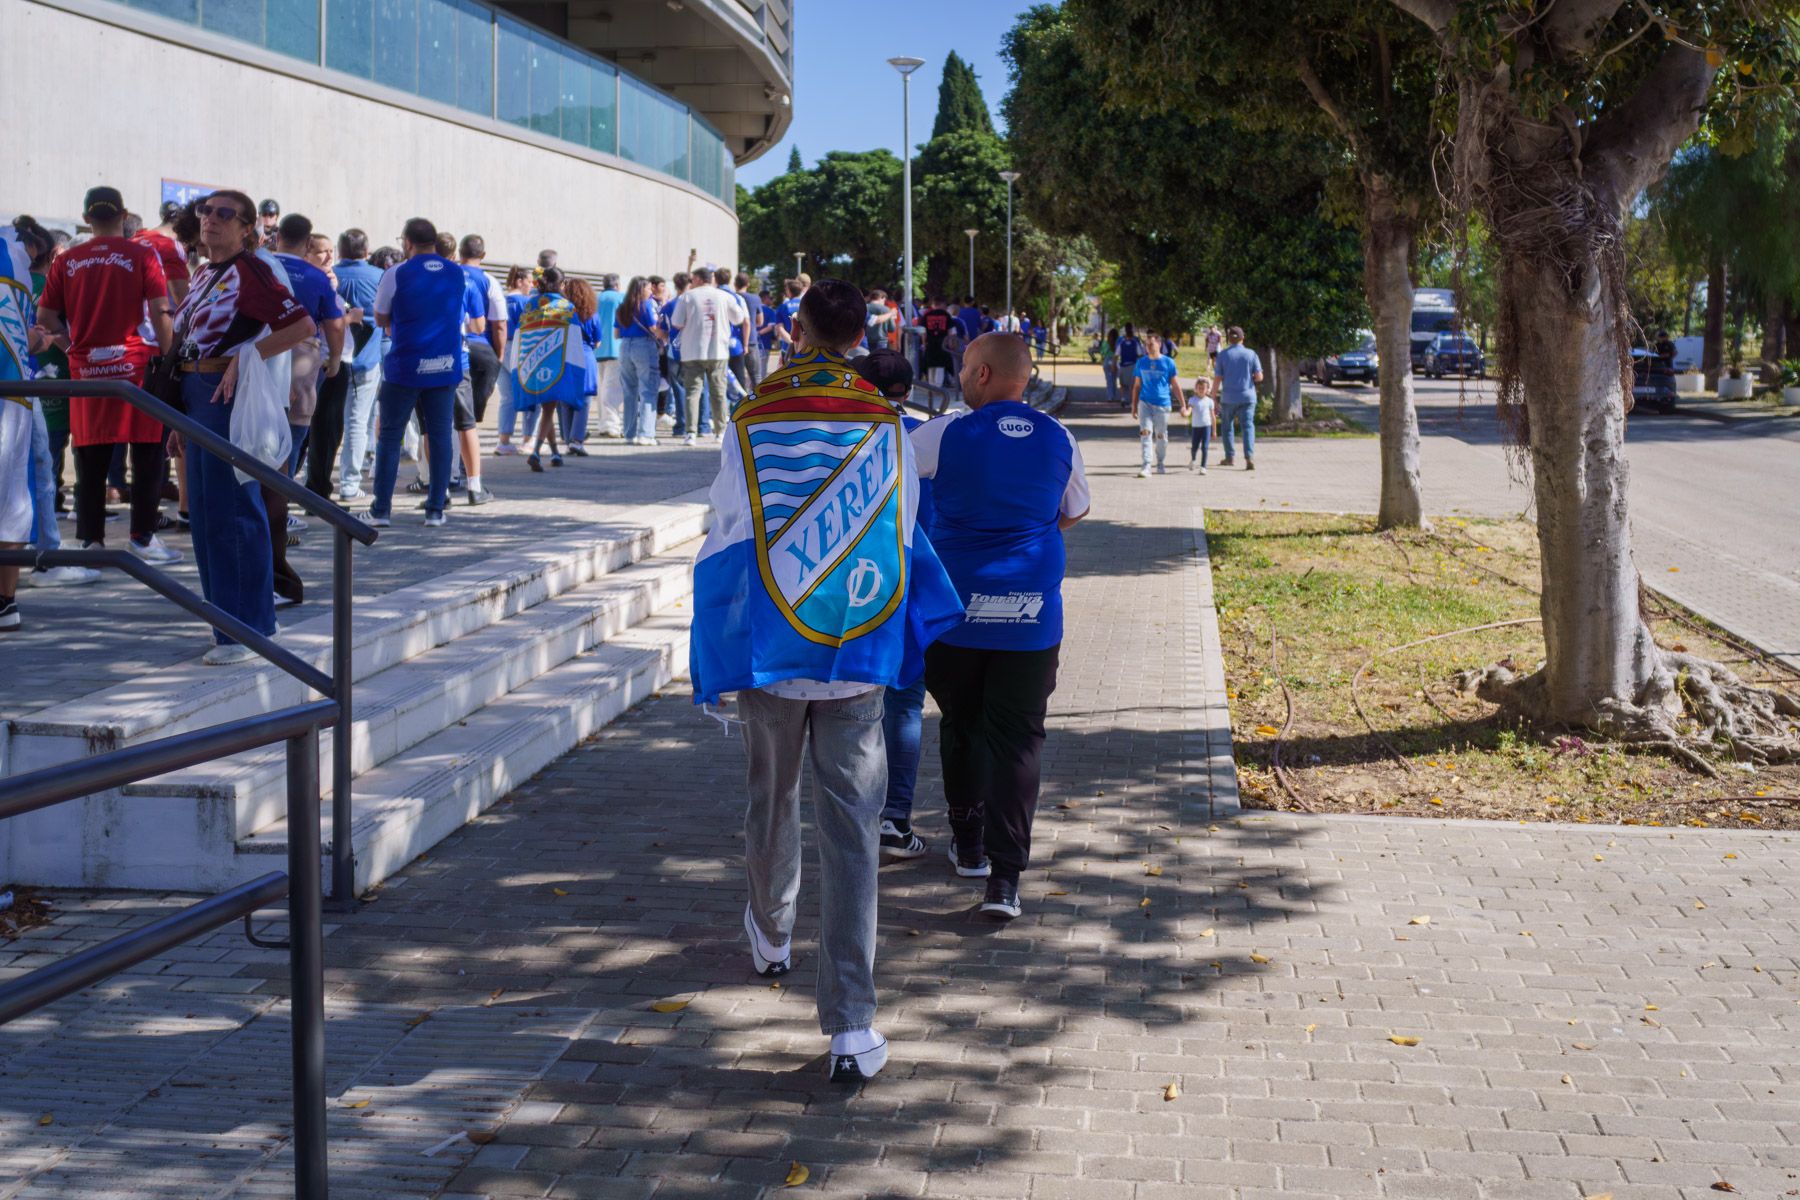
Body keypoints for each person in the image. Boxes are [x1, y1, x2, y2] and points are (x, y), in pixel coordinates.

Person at [688, 278, 961, 1085]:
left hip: (775, 646)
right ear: (862, 334)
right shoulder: (885, 421)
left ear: (798, 328)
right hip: (855, 651)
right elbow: (903, 529)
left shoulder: (752, 414)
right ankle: (850, 1024)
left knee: (768, 799)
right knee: (853, 833)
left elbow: (729, 529)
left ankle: (770, 935)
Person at [910, 332, 1091, 921]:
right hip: (1031, 617)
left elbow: (885, 480)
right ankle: (1005, 881)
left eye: (965, 368)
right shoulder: (1060, 437)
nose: (960, 377)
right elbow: (1075, 510)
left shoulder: (944, 432)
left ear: (983, 375)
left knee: (961, 725)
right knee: (1018, 740)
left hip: (955, 615)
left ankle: (968, 846)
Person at [168, 189, 315, 665]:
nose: (210, 219)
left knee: (232, 512)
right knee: (206, 518)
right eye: (205, 211)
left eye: (224, 214)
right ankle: (226, 624)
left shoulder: (249, 270)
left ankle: (245, 629)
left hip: (223, 398)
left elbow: (301, 326)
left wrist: (249, 355)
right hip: (195, 397)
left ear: (248, 226)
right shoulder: (205, 271)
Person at [35, 186, 180, 565]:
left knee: (89, 456)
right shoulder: (143, 254)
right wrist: (170, 361)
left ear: (86, 218)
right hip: (135, 367)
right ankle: (144, 538)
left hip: (87, 370)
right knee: (147, 453)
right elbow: (161, 311)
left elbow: (46, 319)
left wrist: (72, 348)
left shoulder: (67, 262)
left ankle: (91, 540)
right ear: (124, 214)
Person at [852, 347, 937, 863]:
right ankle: (893, 818)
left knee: (850, 701)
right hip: (908, 577)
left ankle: (850, 814)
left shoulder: (841, 431)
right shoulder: (926, 434)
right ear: (908, 389)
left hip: (847, 584)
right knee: (904, 702)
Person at [368, 217, 464, 528]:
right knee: (439, 436)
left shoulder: (396, 273)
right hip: (445, 364)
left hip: (405, 366)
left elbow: (380, 315)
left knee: (390, 436)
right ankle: (435, 509)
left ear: (407, 242)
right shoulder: (456, 272)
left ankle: (381, 510)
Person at [269, 214, 345, 603]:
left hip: (257, 362)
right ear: (305, 243)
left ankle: (272, 499)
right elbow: (335, 324)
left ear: (278, 236)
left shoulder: (260, 266)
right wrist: (333, 361)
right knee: (295, 435)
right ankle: (282, 496)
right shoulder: (316, 278)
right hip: (300, 360)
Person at [513, 267, 587, 471]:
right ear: (562, 284)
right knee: (548, 408)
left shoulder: (530, 304)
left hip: (532, 362)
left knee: (547, 407)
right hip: (555, 364)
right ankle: (536, 451)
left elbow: (521, 333)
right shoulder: (566, 306)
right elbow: (574, 338)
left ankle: (555, 452)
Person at [333, 229, 385, 502]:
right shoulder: (379, 277)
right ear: (367, 251)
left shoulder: (329, 275)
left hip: (330, 358)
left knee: (321, 421)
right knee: (357, 420)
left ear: (339, 250)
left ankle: (310, 477)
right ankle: (349, 483)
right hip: (366, 360)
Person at [452, 235, 504, 503]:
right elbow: (498, 323)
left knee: (442, 421)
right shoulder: (486, 280)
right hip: (478, 351)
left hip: (446, 351)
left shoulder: (451, 275)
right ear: (483, 254)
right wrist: (500, 355)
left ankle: (442, 481)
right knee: (468, 420)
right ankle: (471, 479)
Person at [671, 265, 741, 444]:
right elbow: (738, 318)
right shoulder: (725, 296)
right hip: (718, 350)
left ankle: (690, 433)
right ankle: (720, 432)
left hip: (692, 351)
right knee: (718, 392)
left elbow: (676, 322)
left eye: (693, 279)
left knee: (692, 392)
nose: (691, 282)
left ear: (699, 279)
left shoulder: (687, 296)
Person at [616, 275, 662, 446]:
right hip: (643, 346)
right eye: (649, 288)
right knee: (648, 390)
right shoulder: (646, 306)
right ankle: (646, 434)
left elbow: (616, 334)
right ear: (642, 289)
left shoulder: (622, 307)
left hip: (625, 347)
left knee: (629, 391)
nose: (651, 291)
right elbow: (653, 329)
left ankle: (629, 433)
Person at [1130, 333, 1184, 478]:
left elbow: (1175, 385)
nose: (1148, 347)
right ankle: (1146, 464)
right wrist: (1134, 406)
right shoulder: (1141, 363)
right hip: (1145, 403)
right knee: (1145, 432)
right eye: (1146, 345)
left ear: (1159, 344)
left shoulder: (1168, 362)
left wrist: (1183, 404)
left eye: (1151, 344)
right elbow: (1136, 386)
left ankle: (1160, 462)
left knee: (1161, 436)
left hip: (1162, 404)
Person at [494, 265, 533, 455]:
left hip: (498, 348)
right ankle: (528, 440)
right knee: (530, 393)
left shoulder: (500, 299)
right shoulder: (524, 302)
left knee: (507, 397)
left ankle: (504, 441)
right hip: (519, 348)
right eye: (529, 281)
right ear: (519, 281)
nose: (532, 285)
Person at [1215, 325, 1264, 470]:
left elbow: (1218, 378)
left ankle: (1230, 457)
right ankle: (1249, 457)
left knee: (1227, 427)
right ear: (1243, 338)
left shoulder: (1222, 355)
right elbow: (1259, 377)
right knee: (1248, 426)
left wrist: (1212, 396)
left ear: (1229, 339)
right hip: (1248, 397)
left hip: (1228, 398)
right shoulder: (1251, 354)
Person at [590, 272, 625, 444]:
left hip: (597, 349)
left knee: (602, 388)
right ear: (617, 284)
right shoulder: (620, 298)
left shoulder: (596, 298)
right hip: (616, 347)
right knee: (612, 388)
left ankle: (603, 423)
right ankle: (611, 424)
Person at [1188, 367, 1218, 473]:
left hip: (1206, 426)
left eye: (1203, 388)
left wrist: (1214, 430)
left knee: (1205, 447)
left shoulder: (1210, 401)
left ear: (1207, 390)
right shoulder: (1192, 400)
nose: (1201, 390)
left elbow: (1213, 416)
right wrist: (1186, 412)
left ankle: (1203, 467)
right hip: (1196, 427)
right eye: (1199, 387)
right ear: (1196, 388)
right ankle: (1193, 459)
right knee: (1194, 447)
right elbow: (1189, 410)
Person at [918, 297, 953, 387]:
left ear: (934, 304)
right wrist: (950, 344)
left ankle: (931, 386)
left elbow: (923, 332)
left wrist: (923, 343)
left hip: (930, 343)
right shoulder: (946, 315)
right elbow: (950, 332)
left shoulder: (926, 315)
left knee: (930, 365)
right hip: (942, 343)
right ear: (942, 304)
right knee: (940, 366)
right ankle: (938, 386)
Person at [1116, 323, 1142, 388]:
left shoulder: (1120, 339)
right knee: (1132, 382)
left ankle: (1124, 397)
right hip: (1133, 363)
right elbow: (1140, 353)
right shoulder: (1135, 339)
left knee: (1123, 381)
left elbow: (1116, 351)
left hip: (1124, 362)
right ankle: (1130, 396)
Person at [1101, 329, 1120, 406]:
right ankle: (1114, 396)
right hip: (1114, 360)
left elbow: (1102, 352)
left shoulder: (1105, 343)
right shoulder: (1117, 343)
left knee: (1108, 380)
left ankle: (1109, 397)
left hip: (1106, 360)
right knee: (1114, 379)